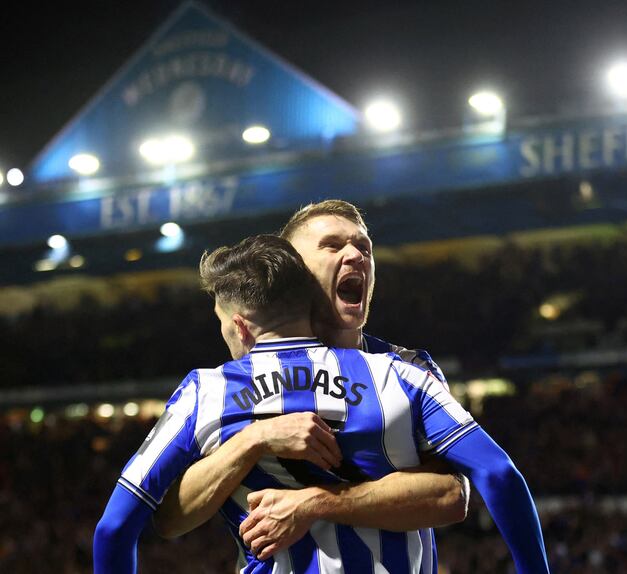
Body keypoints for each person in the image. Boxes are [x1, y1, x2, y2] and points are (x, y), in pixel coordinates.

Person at [93, 234, 550, 573]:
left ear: (241, 326)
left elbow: (117, 527)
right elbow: (499, 474)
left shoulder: (206, 391)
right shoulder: (399, 375)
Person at [152, 201, 467, 551]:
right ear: (295, 270)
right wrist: (253, 438)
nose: (357, 255)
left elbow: (452, 495)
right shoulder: (232, 383)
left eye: (364, 247)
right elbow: (169, 519)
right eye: (333, 245)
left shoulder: (407, 367)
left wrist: (315, 503)